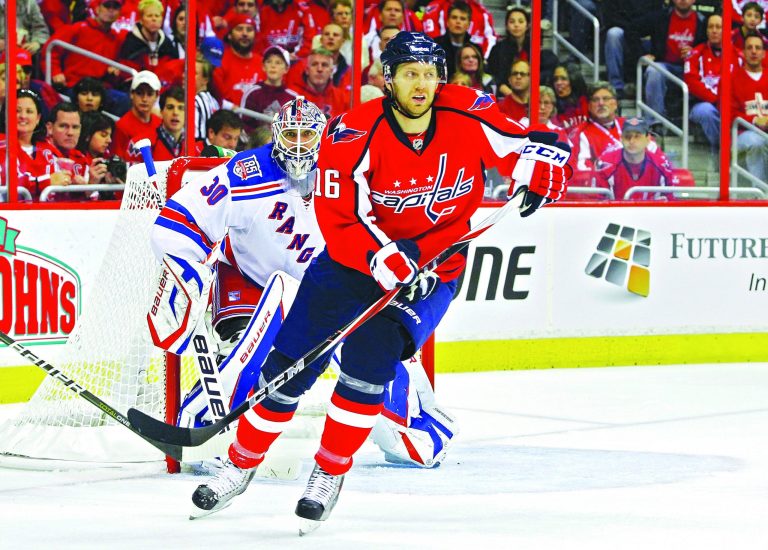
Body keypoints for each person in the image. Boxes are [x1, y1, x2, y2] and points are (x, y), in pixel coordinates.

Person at [184, 32, 570, 531]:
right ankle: (238, 465)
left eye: (430, 74)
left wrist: (540, 172)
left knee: (370, 365)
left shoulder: (468, 111)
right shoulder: (351, 131)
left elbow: (523, 147)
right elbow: (336, 215)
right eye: (410, 73)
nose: (422, 84)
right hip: (350, 265)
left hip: (434, 272)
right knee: (288, 368)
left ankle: (328, 472)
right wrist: (379, 257)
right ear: (387, 79)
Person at [628, 0, 706, 125]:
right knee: (654, 70)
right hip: (665, 66)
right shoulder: (660, 17)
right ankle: (654, 122)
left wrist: (696, 52)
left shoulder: (703, 21)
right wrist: (642, 54)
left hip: (691, 69)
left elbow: (712, 46)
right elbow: (631, 29)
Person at [593, 117, 676, 200]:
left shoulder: (662, 166)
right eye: (627, 136)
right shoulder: (605, 165)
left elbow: (669, 204)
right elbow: (598, 204)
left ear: (648, 139)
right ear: (621, 138)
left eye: (637, 136)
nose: (632, 141)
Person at [486, 6, 558, 99]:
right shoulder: (498, 49)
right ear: (507, 26)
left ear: (527, 25)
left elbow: (541, 74)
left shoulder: (535, 47)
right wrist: (513, 96)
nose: (516, 25)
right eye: (512, 22)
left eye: (520, 21)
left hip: (532, 95)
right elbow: (496, 77)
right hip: (506, 95)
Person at [602, 0, 664, 99]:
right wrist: (632, 30)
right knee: (613, 34)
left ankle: (647, 88)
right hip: (625, 31)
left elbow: (659, 18)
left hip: (646, 34)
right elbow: (611, 18)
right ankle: (616, 87)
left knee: (660, 35)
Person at [732, 32, 768, 184]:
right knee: (756, 141)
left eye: (758, 48)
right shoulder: (732, 78)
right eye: (750, 48)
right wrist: (754, 120)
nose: (754, 51)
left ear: (764, 53)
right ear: (743, 52)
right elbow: (728, 114)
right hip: (742, 134)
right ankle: (759, 195)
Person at [684, 12, 723, 153]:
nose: (714, 30)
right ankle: (723, 151)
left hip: (728, 105)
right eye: (711, 27)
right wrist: (717, 100)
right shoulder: (695, 53)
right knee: (706, 111)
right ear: (706, 30)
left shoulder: (737, 55)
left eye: (718, 27)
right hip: (702, 104)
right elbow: (691, 83)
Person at [242, 46, 299, 133]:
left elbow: (297, 129)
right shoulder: (252, 93)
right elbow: (245, 126)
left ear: (286, 69)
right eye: (269, 62)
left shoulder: (293, 98)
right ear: (263, 67)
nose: (273, 66)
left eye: (278, 62)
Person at [212, 13, 264, 107]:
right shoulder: (219, 62)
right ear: (229, 35)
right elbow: (218, 98)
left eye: (249, 30)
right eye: (239, 29)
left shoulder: (263, 63)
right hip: (229, 118)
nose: (245, 34)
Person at [112, 70, 162, 162]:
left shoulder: (160, 124)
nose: (144, 99)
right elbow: (117, 159)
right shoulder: (122, 126)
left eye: (150, 94)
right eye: (139, 93)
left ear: (157, 96)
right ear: (131, 94)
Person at [286, 48, 349, 117]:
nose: (319, 69)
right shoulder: (291, 95)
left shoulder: (341, 98)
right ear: (307, 70)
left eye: (324, 65)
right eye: (314, 64)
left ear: (331, 71)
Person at [432, 0, 472, 80]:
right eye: (454, 17)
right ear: (447, 22)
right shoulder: (435, 45)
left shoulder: (474, 49)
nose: (458, 21)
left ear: (468, 24)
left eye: (463, 19)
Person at [152, 85, 186, 161]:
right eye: (170, 107)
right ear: (161, 111)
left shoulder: (195, 147)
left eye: (181, 108)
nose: (175, 113)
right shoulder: (144, 146)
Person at [552, 65, 589, 130]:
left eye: (563, 79)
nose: (558, 83)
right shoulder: (550, 104)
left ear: (573, 80)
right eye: (555, 79)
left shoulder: (586, 101)